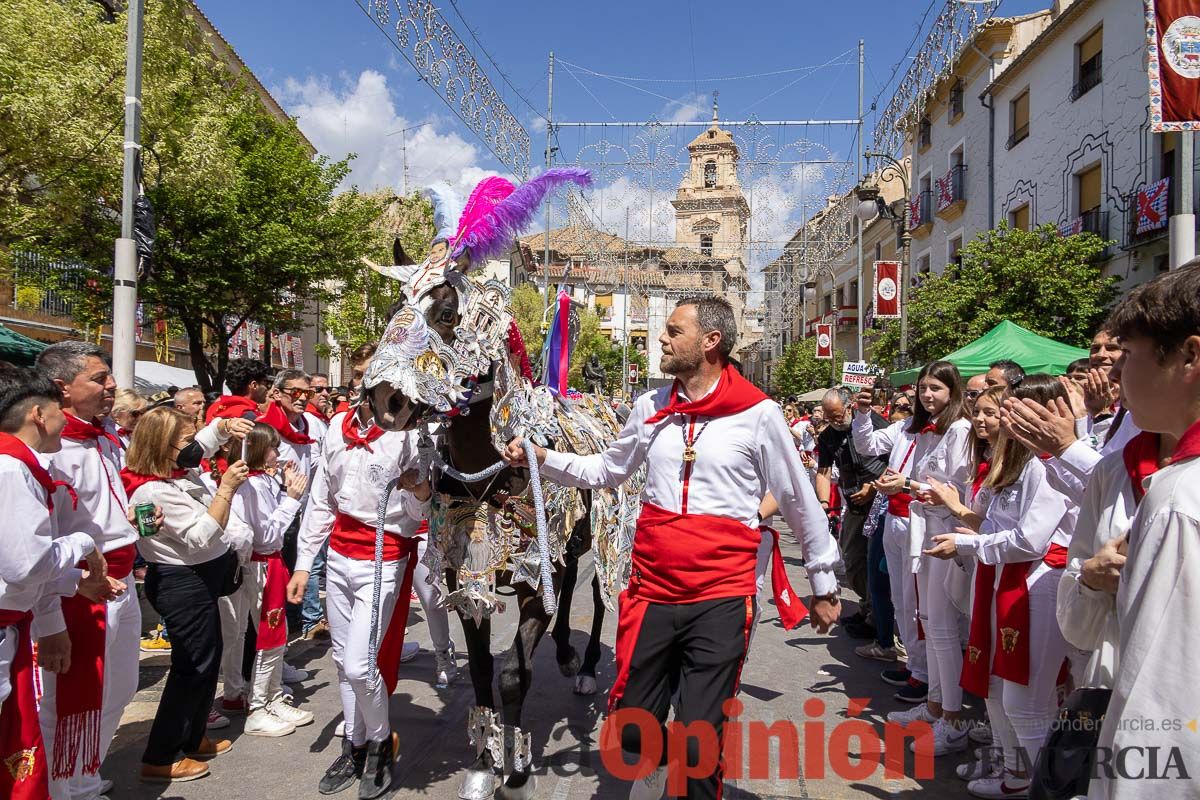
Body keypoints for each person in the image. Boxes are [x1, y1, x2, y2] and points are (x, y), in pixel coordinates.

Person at [503, 296, 840, 800]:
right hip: (655, 588)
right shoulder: (650, 407)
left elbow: (796, 497)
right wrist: (544, 456)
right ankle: (659, 764)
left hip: (721, 594)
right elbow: (608, 471)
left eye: (673, 330)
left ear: (711, 342)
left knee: (701, 739)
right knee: (634, 725)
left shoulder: (759, 414)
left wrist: (823, 581)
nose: (661, 338)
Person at [926, 376, 1076, 797]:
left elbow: (1030, 539)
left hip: (1032, 585)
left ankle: (1040, 786)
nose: (1003, 417)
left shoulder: (1045, 466)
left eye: (1016, 409)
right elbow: (998, 524)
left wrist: (968, 542)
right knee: (1000, 691)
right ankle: (1015, 776)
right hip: (1002, 580)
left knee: (1026, 703)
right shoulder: (1014, 463)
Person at [1086, 264, 1200, 800]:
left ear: (1189, 357)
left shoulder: (1178, 496)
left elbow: (1161, 699)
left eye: (1127, 354)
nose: (1114, 373)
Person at [287, 398, 431, 799]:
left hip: (382, 558)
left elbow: (419, 508)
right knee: (340, 661)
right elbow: (321, 499)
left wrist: (418, 490)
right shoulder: (336, 426)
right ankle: (356, 746)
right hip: (338, 556)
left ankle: (382, 742)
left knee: (358, 664)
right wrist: (302, 563)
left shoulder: (413, 433)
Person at [120, 407, 253, 783]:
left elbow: (204, 445)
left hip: (203, 578)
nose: (196, 447)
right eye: (186, 441)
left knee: (207, 660)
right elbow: (200, 535)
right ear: (163, 447)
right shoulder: (152, 491)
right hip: (183, 583)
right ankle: (161, 755)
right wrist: (225, 489)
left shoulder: (180, 473)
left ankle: (192, 736)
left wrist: (223, 427)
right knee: (190, 667)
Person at [0, 367, 112, 800]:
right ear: (38, 415)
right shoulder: (11, 470)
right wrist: (83, 542)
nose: (66, 420)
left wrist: (67, 582)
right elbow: (26, 565)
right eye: (59, 410)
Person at [34, 341, 139, 800]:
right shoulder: (48, 451)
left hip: (122, 576)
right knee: (68, 698)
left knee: (119, 686)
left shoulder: (105, 434)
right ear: (63, 387)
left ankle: (83, 775)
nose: (111, 386)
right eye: (99, 378)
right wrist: (77, 582)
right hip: (82, 584)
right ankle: (62, 787)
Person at [226, 423, 314, 737]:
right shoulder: (249, 484)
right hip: (261, 565)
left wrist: (284, 488)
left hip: (271, 564)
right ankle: (258, 706)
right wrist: (291, 499)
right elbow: (266, 534)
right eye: (273, 448)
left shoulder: (261, 481)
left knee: (278, 635)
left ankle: (273, 696)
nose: (278, 454)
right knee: (269, 636)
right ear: (259, 451)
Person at [815, 387, 888, 642]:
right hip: (854, 506)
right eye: (828, 416)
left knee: (875, 562)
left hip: (879, 502)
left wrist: (874, 486)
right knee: (853, 561)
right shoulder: (827, 438)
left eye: (836, 415)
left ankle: (876, 617)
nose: (833, 421)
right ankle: (868, 604)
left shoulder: (875, 424)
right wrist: (823, 503)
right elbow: (823, 471)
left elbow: (896, 460)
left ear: (849, 407)